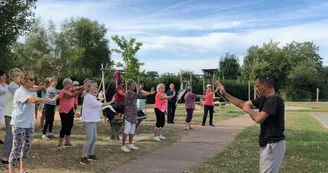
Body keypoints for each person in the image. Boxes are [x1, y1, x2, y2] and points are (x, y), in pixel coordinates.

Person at [215, 76, 286, 173]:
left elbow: (258, 118)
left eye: (257, 86)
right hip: (267, 143)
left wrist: (249, 110)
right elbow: (243, 104)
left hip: (273, 144)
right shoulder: (264, 99)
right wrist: (224, 93)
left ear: (265, 86)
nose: (256, 89)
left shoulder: (274, 99)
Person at [8, 71, 60, 173]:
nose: (33, 81)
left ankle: (23, 170)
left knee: (26, 147)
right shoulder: (20, 92)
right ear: (24, 80)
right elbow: (32, 100)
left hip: (29, 123)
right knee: (16, 149)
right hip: (18, 124)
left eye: (34, 79)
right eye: (31, 79)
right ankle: (11, 171)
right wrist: (49, 100)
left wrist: (38, 88)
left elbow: (34, 91)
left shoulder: (32, 90)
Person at [80, 80, 115, 165]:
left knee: (94, 138)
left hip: (93, 119)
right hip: (88, 120)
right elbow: (100, 105)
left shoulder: (92, 96)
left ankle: (91, 154)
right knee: (90, 139)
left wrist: (100, 98)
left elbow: (97, 104)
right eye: (93, 86)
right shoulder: (88, 97)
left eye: (96, 86)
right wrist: (111, 101)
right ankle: (83, 157)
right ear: (88, 88)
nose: (95, 87)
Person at [121, 80, 151, 152]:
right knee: (127, 130)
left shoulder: (133, 92)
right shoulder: (129, 92)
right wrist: (150, 93)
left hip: (133, 113)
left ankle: (130, 144)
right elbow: (139, 95)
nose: (134, 87)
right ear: (128, 86)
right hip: (128, 114)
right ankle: (123, 146)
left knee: (132, 130)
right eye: (132, 85)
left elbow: (138, 94)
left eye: (134, 85)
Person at [1, 68, 21, 165]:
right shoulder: (12, 86)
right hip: (9, 114)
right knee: (9, 136)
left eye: (20, 75)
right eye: (17, 75)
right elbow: (20, 94)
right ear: (12, 77)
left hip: (15, 114)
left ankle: (14, 155)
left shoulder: (18, 86)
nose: (19, 77)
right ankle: (5, 156)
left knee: (16, 135)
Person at [57, 78, 83, 149]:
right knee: (64, 127)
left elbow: (75, 88)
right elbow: (72, 95)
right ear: (66, 84)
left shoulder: (69, 89)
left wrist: (82, 86)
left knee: (70, 126)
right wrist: (81, 90)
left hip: (70, 110)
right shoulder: (63, 91)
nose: (71, 85)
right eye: (70, 84)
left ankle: (67, 142)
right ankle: (60, 143)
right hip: (63, 111)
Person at [0, 70, 8, 144]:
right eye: (3, 76)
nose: (4, 77)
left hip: (3, 106)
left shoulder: (5, 85)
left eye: (5, 76)